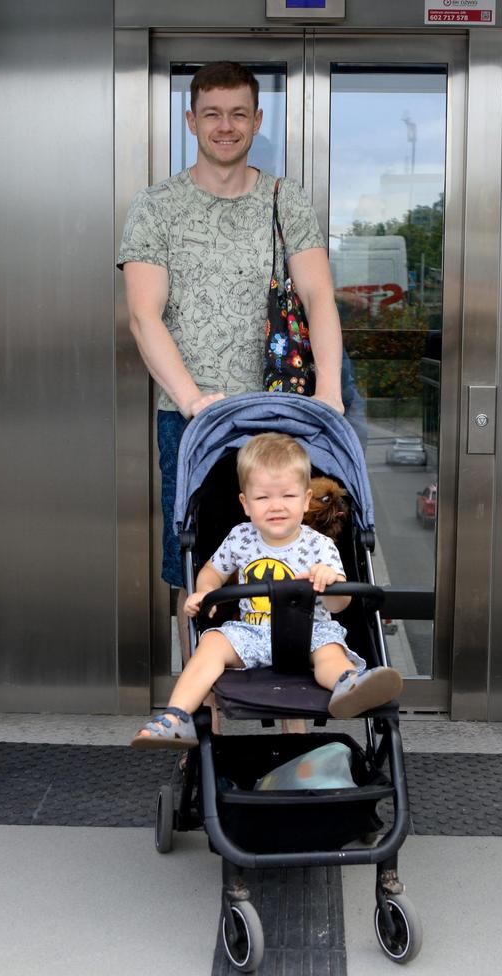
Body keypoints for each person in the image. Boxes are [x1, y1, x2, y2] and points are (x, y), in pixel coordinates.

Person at [116, 61, 344, 632]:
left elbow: (319, 300)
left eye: (239, 113)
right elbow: (145, 316)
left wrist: (330, 394)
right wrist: (193, 399)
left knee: (297, 554)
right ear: (190, 120)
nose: (226, 125)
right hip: (194, 420)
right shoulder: (155, 206)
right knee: (196, 563)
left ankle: (292, 690)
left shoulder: (282, 200)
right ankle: (204, 704)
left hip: (283, 415)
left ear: (257, 120)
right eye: (212, 114)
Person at [130, 433, 402, 749]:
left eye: (287, 496)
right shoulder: (240, 538)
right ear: (245, 503)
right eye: (263, 498)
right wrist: (204, 592)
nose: (276, 506)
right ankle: (177, 717)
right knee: (212, 644)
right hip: (252, 632)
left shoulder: (320, 546)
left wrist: (329, 581)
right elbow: (211, 572)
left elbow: (340, 605)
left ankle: (348, 686)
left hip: (309, 633)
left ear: (305, 499)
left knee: (331, 652)